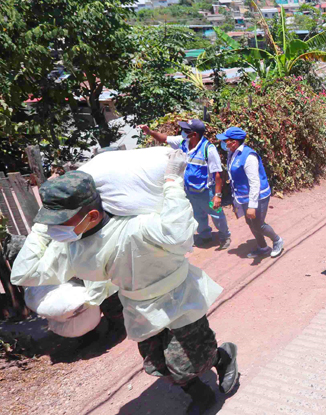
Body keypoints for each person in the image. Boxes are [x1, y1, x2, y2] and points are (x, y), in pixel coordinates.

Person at [11, 165, 239, 414]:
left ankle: (222, 356)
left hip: (177, 298)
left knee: (188, 362)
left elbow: (178, 231)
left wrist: (173, 183)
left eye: (60, 222)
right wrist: (42, 230)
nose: (56, 229)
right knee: (157, 363)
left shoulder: (136, 228)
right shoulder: (72, 247)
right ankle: (200, 394)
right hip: (138, 306)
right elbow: (25, 272)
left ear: (94, 216)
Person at [139, 119, 231, 250]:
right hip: (190, 191)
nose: (182, 132)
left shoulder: (208, 149)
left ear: (194, 134)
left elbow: (218, 174)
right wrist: (149, 132)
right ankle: (205, 235)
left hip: (206, 192)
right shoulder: (183, 142)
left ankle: (224, 236)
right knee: (198, 215)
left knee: (217, 213)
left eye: (186, 131)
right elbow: (164, 139)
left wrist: (217, 195)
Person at [216, 127, 284, 259]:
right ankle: (262, 247)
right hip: (243, 196)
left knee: (259, 224)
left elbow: (254, 183)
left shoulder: (248, 157)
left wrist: (252, 206)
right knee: (250, 222)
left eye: (226, 140)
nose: (223, 143)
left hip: (258, 196)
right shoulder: (233, 153)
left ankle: (277, 241)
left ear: (234, 142)